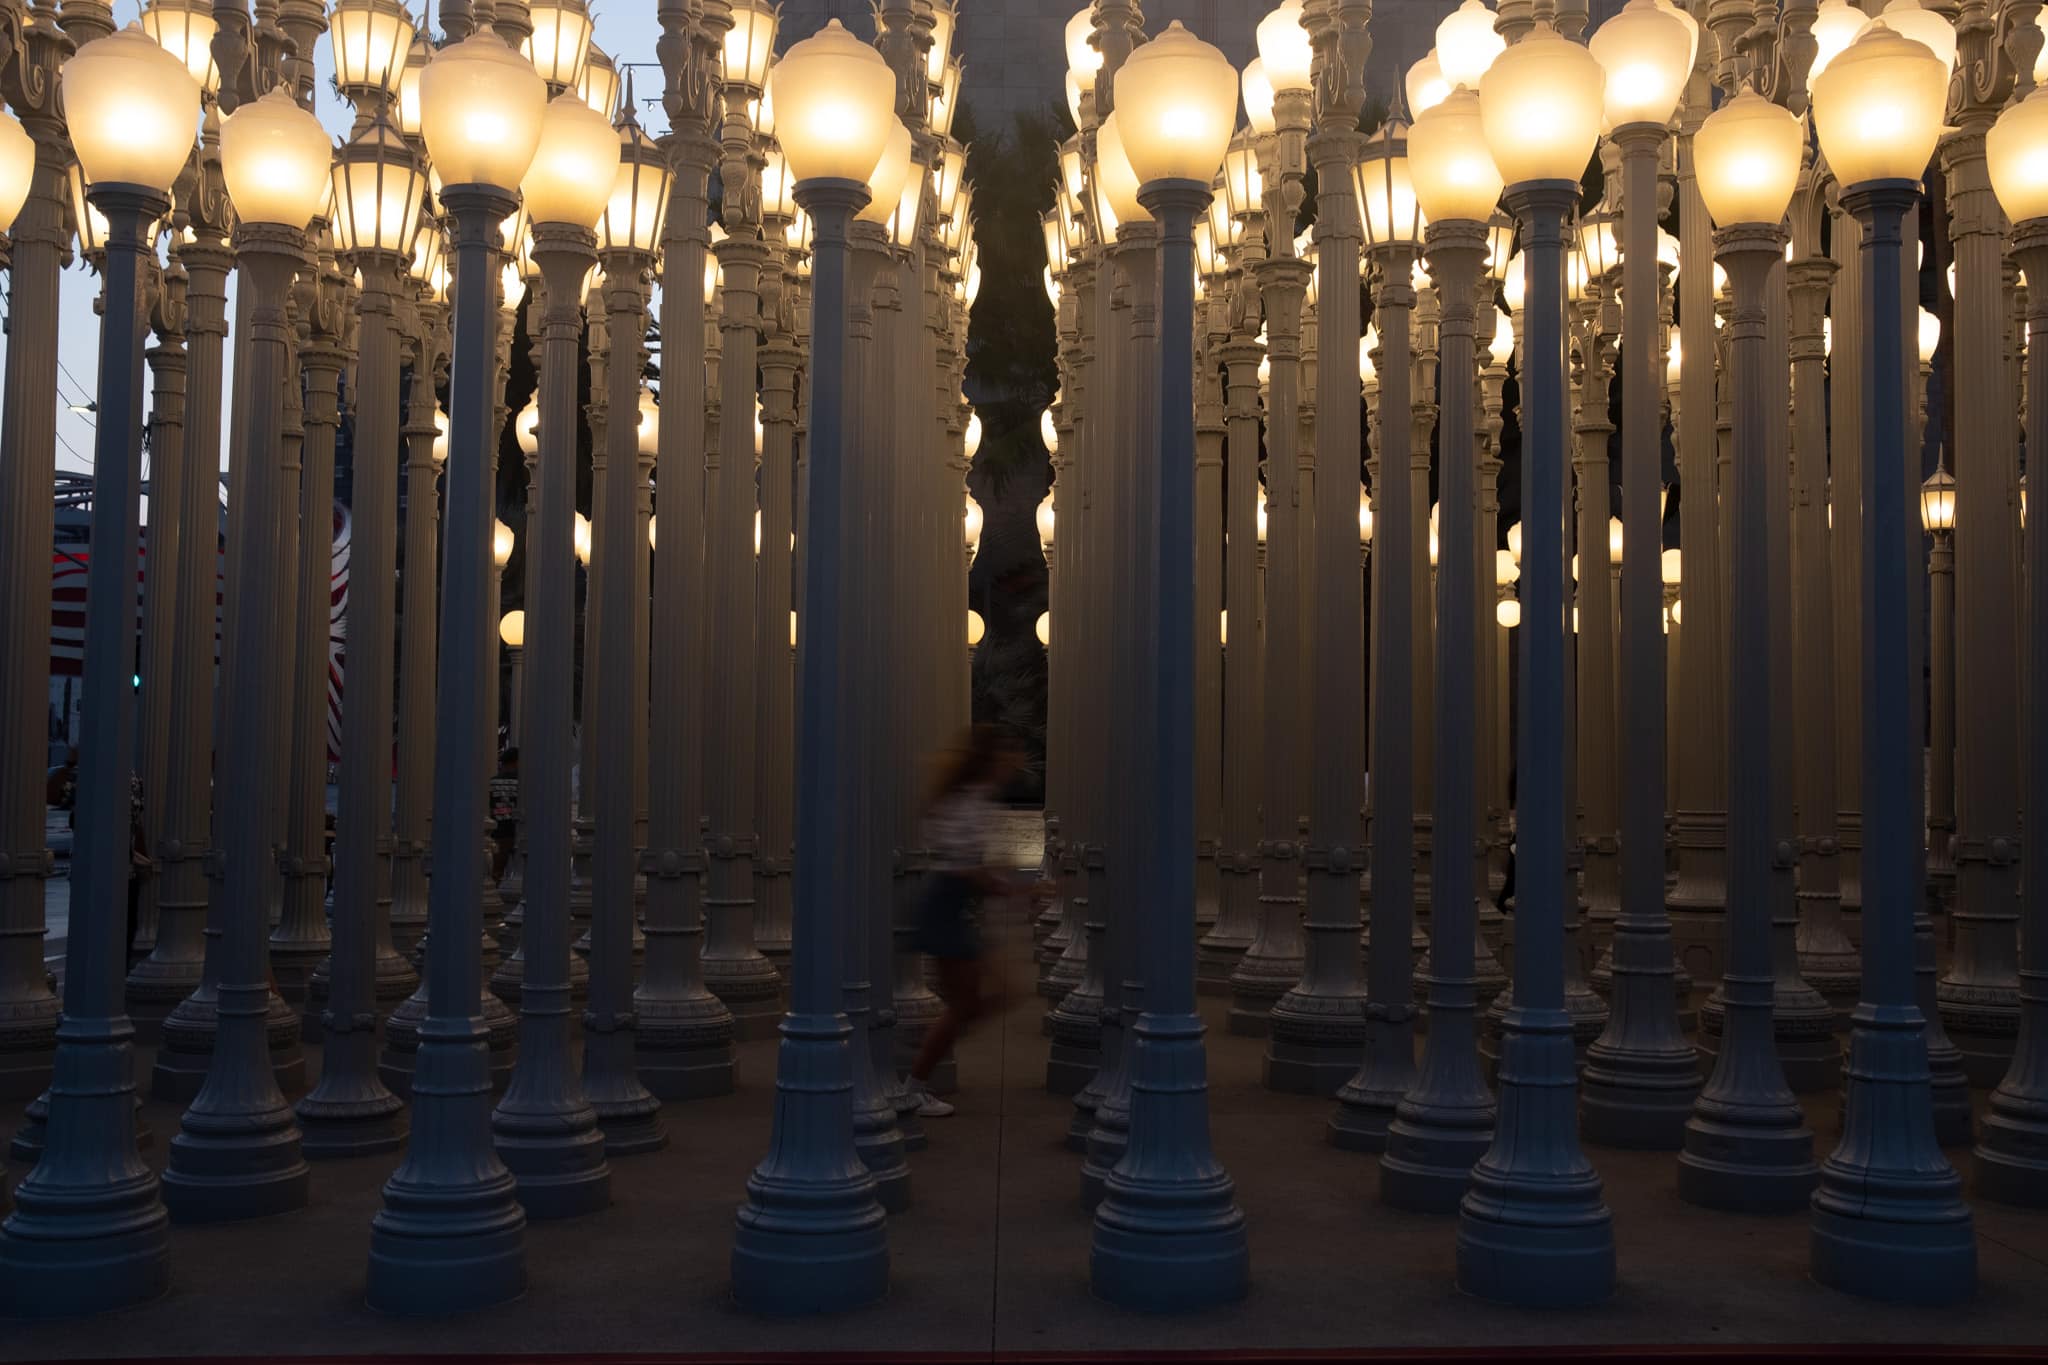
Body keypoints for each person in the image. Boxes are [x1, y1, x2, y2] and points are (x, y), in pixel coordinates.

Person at [904, 725, 1046, 1117]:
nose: (1015, 760)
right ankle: (915, 1082)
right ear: (990, 759)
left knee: (989, 997)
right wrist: (1018, 890)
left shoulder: (973, 798)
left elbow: (969, 866)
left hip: (950, 907)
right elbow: (966, 868)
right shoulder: (969, 801)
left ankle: (920, 1065)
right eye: (1009, 752)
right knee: (970, 1003)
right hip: (946, 907)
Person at [489, 747, 520, 883]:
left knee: (496, 871)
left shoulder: (492, 782)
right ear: (517, 762)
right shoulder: (522, 782)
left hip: (497, 831)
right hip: (516, 830)